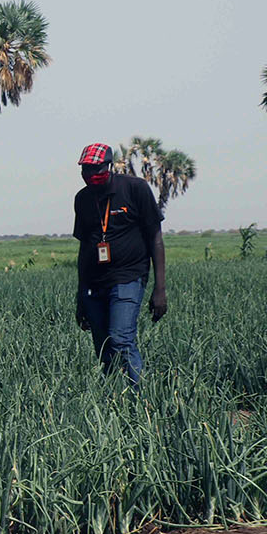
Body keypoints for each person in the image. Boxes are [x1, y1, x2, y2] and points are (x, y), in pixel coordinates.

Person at [73, 144, 166, 388]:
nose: (90, 174)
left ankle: (140, 400)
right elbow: (84, 249)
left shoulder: (135, 189)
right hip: (95, 283)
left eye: (96, 169)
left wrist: (160, 289)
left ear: (109, 166)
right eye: (85, 169)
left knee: (121, 339)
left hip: (129, 276)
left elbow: (155, 238)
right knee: (104, 346)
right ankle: (114, 399)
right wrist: (81, 296)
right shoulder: (83, 199)